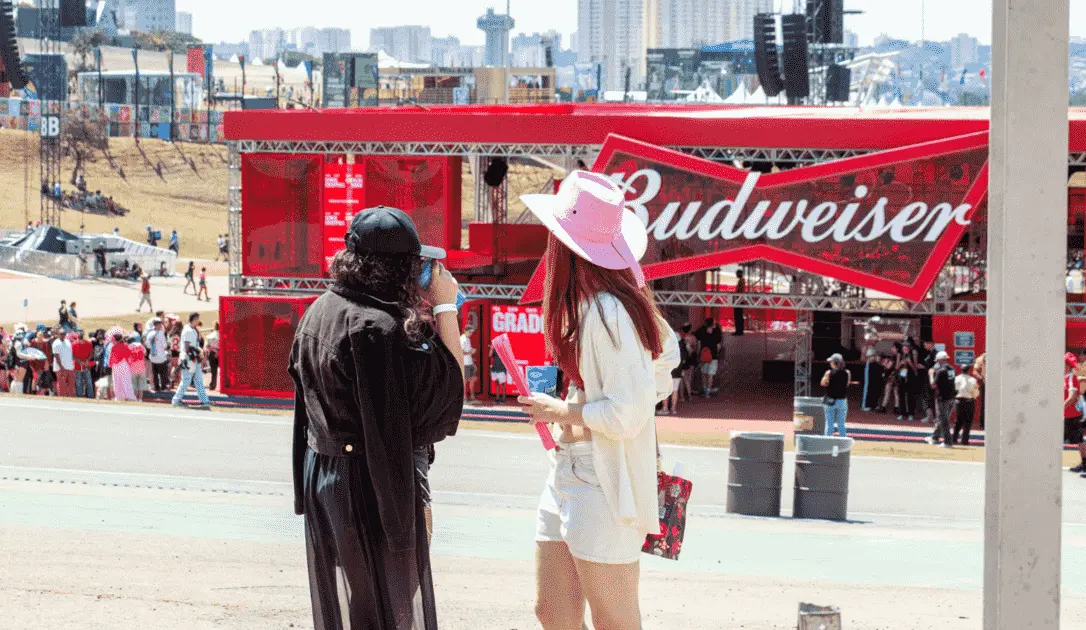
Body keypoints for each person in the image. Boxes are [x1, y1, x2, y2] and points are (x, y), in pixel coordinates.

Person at [514, 171, 680, 630]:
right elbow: (665, 358)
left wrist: (563, 411)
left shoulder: (607, 311)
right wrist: (580, 407)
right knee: (553, 612)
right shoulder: (602, 304)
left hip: (600, 479)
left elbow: (627, 413)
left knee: (614, 621)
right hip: (576, 470)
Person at [288, 206, 464, 630]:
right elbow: (448, 393)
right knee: (389, 608)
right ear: (401, 268)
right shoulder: (377, 329)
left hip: (327, 476)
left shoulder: (323, 308)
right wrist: (445, 309)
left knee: (358, 606)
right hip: (370, 484)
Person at [172, 313, 211, 409]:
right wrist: (199, 351)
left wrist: (200, 351)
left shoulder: (193, 329)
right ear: (194, 319)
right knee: (186, 380)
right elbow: (187, 347)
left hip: (195, 358)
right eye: (197, 319)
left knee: (198, 380)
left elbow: (195, 344)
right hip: (188, 359)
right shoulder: (188, 331)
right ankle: (176, 400)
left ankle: (204, 401)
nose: (198, 321)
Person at [925, 351, 957, 448]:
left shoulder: (941, 370)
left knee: (943, 420)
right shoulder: (951, 369)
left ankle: (948, 442)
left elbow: (933, 385)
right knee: (942, 418)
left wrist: (930, 374)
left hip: (942, 398)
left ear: (939, 360)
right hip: (950, 397)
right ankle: (935, 437)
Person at [821, 353, 851, 437]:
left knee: (829, 424)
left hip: (830, 399)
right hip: (842, 400)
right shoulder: (847, 373)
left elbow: (823, 383)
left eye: (831, 362)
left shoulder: (828, 372)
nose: (830, 363)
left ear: (834, 362)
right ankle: (843, 444)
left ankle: (827, 444)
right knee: (841, 424)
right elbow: (847, 385)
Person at [1065, 353, 1086, 473]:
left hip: (1073, 415)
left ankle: (1085, 464)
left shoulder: (1071, 377)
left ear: (1067, 366)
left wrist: (1060, 408)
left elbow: (1072, 396)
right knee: (1078, 441)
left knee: (1079, 441)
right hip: (1066, 415)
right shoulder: (1066, 377)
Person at [953, 364, 981, 446]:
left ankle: (954, 439)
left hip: (959, 401)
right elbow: (976, 393)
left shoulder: (956, 379)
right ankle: (964, 441)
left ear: (961, 370)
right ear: (969, 370)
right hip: (969, 401)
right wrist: (975, 395)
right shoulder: (972, 380)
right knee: (967, 422)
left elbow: (954, 390)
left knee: (958, 421)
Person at [694, 317, 723, 397]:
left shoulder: (701, 332)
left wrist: (698, 354)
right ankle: (708, 392)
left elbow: (699, 345)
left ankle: (704, 388)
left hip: (703, 357)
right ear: (712, 324)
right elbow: (718, 346)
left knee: (704, 374)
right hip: (713, 357)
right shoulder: (717, 333)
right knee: (710, 375)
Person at [108, 327, 137, 402]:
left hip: (116, 365)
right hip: (124, 364)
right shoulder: (125, 345)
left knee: (117, 381)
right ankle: (130, 396)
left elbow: (112, 358)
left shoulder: (114, 347)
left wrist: (110, 365)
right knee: (126, 381)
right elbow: (129, 355)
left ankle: (119, 397)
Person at [146, 317, 170, 392]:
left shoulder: (149, 333)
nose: (160, 325)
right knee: (163, 373)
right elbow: (165, 345)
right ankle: (163, 387)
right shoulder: (161, 333)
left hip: (153, 356)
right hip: (160, 357)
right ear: (158, 325)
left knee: (155, 373)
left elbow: (148, 345)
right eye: (160, 324)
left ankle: (156, 387)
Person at [50, 327, 75, 397]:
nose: (62, 335)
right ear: (58, 334)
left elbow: (70, 354)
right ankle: (61, 398)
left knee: (71, 384)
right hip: (61, 368)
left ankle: (71, 398)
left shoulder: (68, 341)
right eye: (61, 334)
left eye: (64, 334)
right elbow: (56, 356)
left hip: (69, 367)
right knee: (61, 384)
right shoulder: (56, 343)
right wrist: (61, 367)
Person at [72, 331, 93, 399]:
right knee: (79, 383)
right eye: (79, 337)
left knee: (88, 382)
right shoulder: (74, 344)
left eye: (81, 336)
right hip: (77, 367)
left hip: (86, 366)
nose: (80, 338)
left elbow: (91, 353)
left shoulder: (88, 343)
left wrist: (87, 360)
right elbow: (72, 356)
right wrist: (79, 361)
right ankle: (79, 397)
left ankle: (90, 397)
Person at [127, 333, 148, 402]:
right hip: (141, 367)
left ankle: (135, 398)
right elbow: (145, 353)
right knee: (141, 385)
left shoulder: (129, 346)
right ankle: (140, 399)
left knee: (134, 385)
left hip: (132, 368)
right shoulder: (140, 345)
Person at [461, 324, 478, 403]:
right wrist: (470, 352)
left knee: (473, 379)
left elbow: (467, 350)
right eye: (470, 332)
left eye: (472, 332)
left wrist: (471, 351)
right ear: (465, 331)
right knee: (465, 381)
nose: (471, 334)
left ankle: (472, 396)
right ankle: (464, 398)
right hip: (465, 363)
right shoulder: (462, 339)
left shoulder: (468, 339)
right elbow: (461, 352)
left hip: (470, 362)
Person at [205, 321, 220, 391]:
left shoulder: (210, 335)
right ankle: (223, 385)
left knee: (214, 371)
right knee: (223, 370)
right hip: (220, 353)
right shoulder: (222, 335)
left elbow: (207, 346)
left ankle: (213, 384)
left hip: (212, 353)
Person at [732, 269, 745, 336]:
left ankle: (739, 331)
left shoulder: (741, 281)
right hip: (740, 300)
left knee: (738, 316)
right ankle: (740, 330)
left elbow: (739, 290)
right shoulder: (742, 280)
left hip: (739, 301)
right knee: (739, 316)